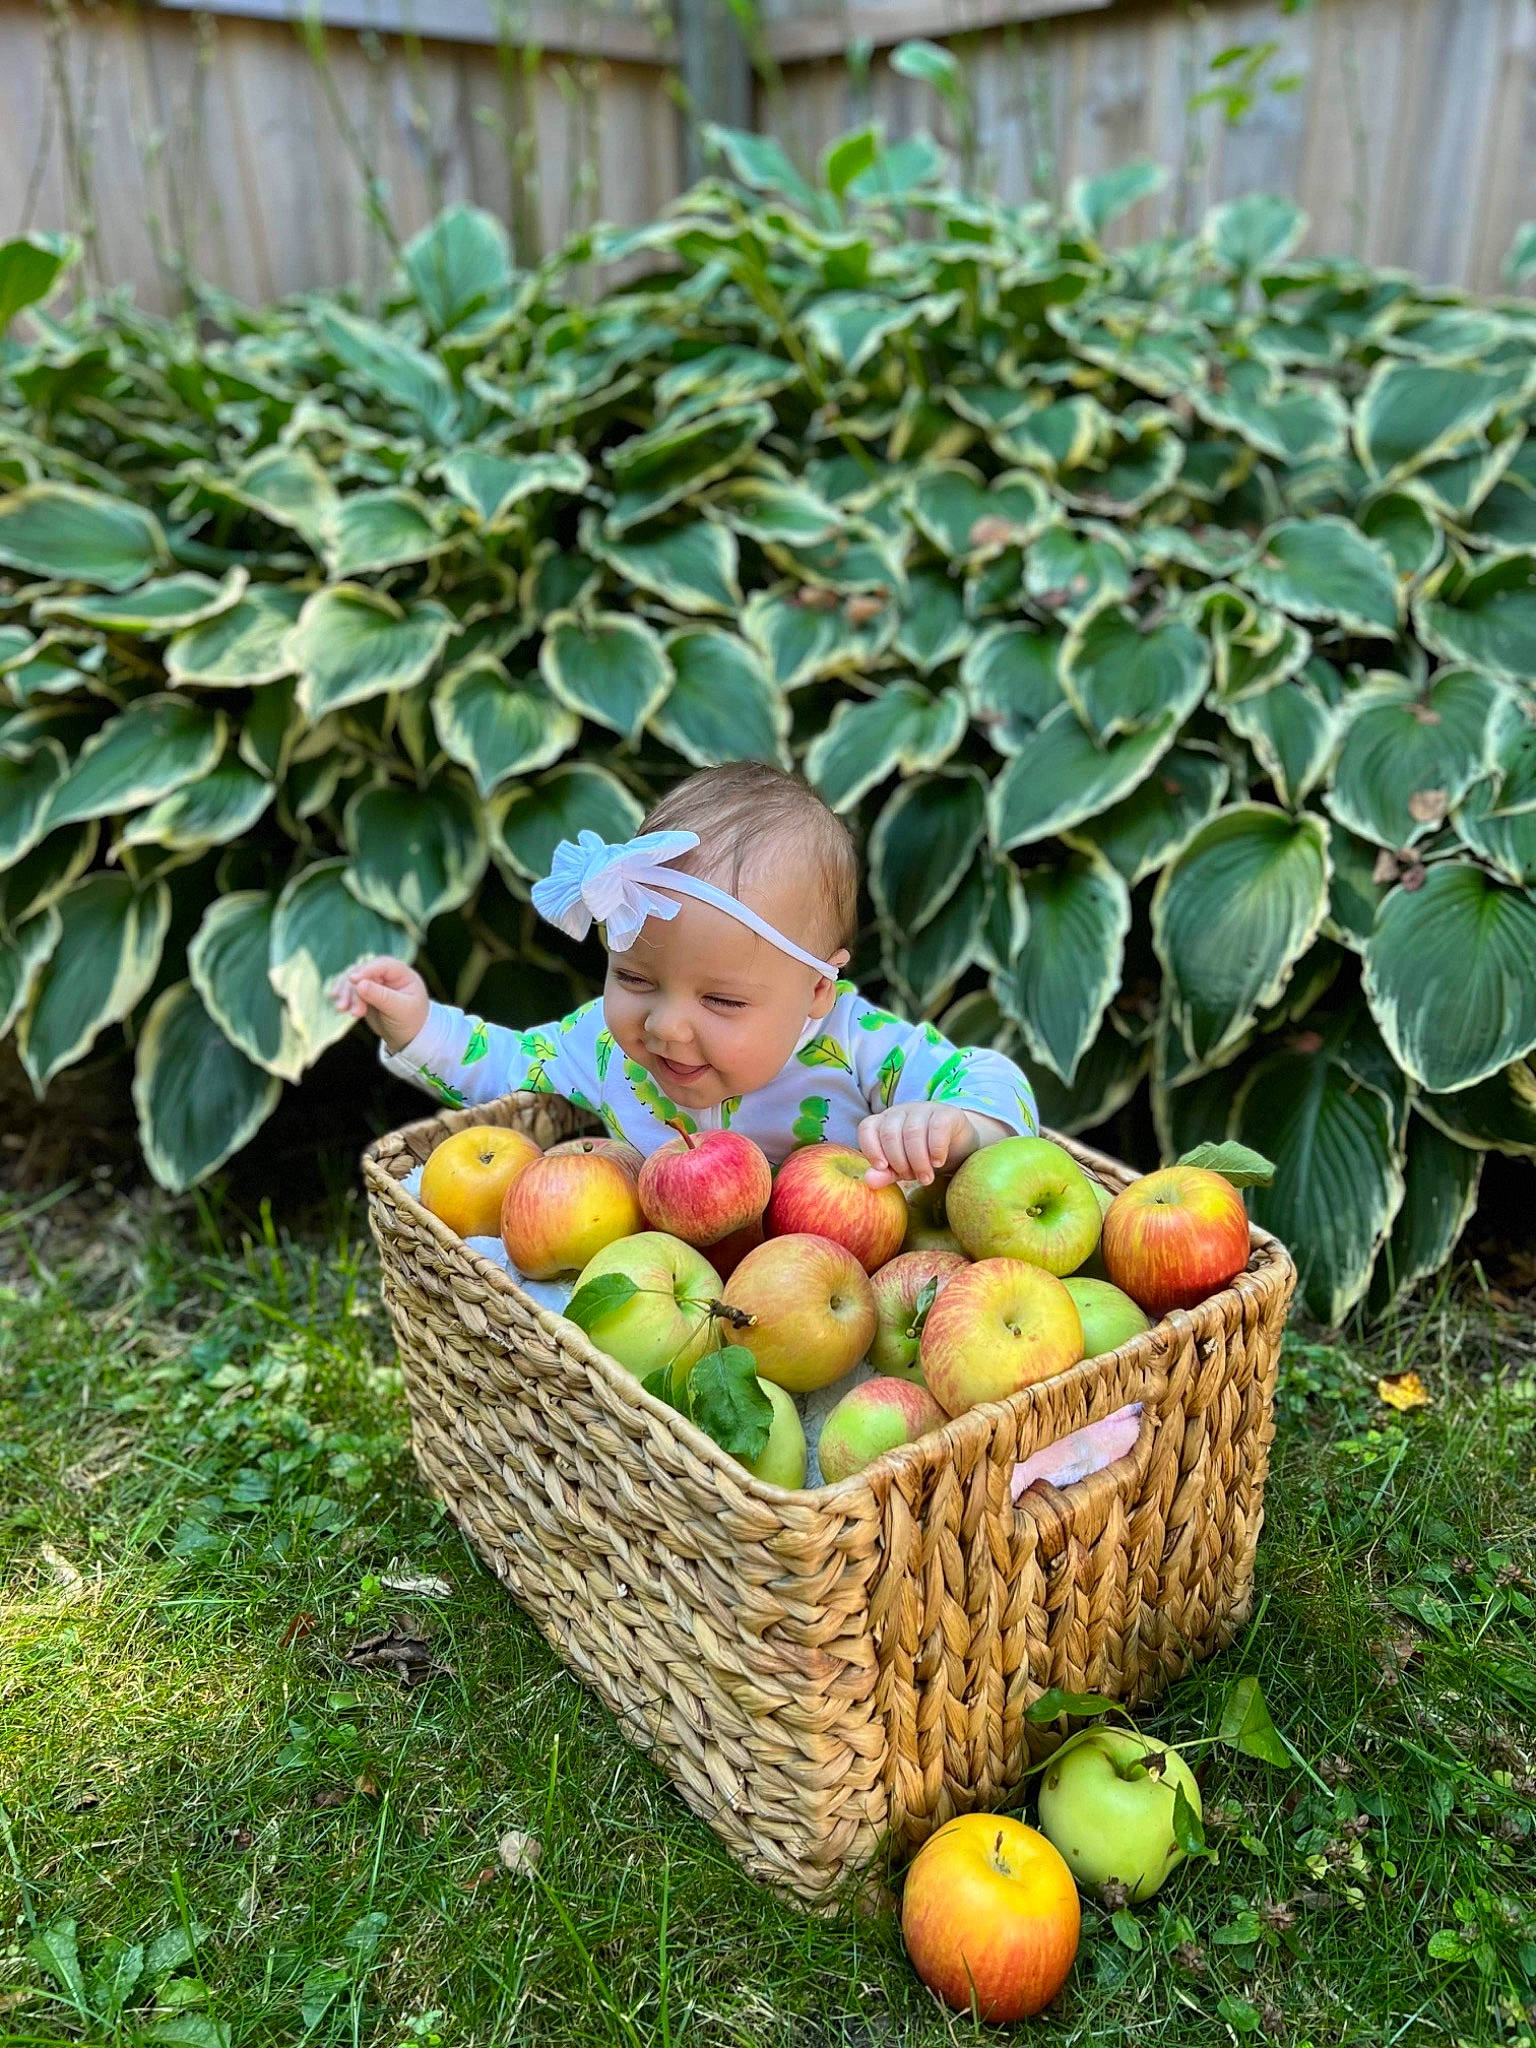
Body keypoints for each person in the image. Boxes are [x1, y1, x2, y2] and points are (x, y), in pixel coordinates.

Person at [333, 762, 1038, 1188]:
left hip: (838, 1285)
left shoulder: (857, 1048)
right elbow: (509, 1062)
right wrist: (419, 1025)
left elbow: (993, 1080)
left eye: (723, 999)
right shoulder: (607, 1049)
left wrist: (958, 1123)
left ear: (817, 991)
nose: (664, 1026)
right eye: (635, 979)